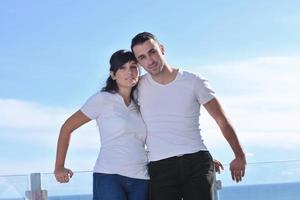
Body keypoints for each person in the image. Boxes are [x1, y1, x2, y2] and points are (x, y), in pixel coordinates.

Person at [131, 32, 246, 200]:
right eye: (142, 57)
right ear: (138, 62)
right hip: (159, 167)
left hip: (197, 163)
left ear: (162, 49)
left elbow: (221, 119)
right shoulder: (137, 87)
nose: (149, 60)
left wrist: (239, 155)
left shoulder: (193, 81)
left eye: (152, 52)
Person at [54, 50, 149, 200]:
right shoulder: (103, 99)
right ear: (113, 75)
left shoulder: (141, 101)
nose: (129, 72)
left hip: (142, 179)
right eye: (122, 68)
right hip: (109, 177)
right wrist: (59, 166)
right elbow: (67, 127)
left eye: (133, 67)